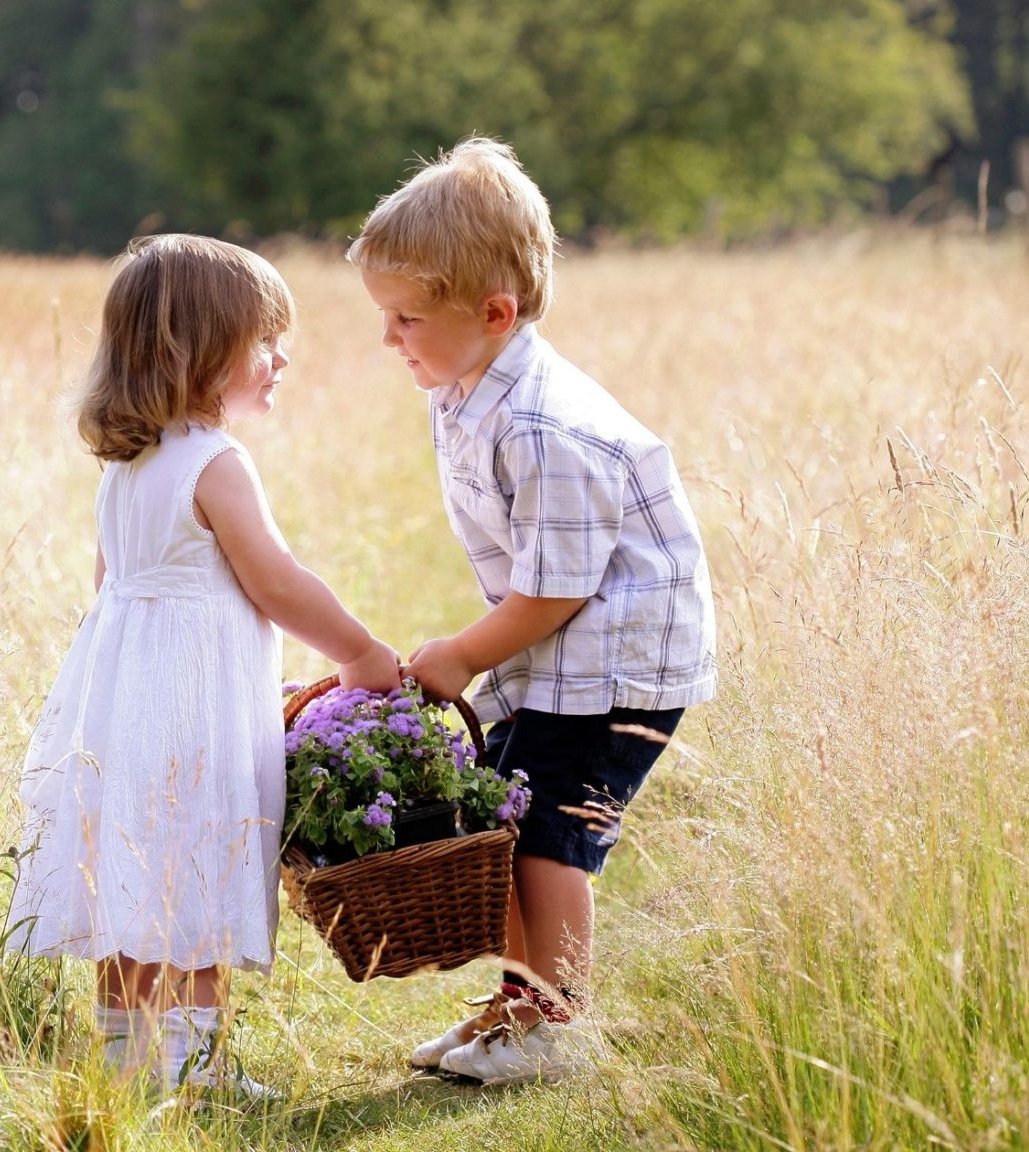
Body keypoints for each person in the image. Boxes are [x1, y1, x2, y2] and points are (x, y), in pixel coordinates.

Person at [350, 139, 716, 1086]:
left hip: (616, 662)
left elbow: (560, 586)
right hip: (557, 658)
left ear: (495, 312)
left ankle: (558, 1024)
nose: (389, 339)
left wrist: (464, 653)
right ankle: (518, 1005)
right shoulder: (464, 385)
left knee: (551, 836)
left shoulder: (543, 425)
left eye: (404, 318)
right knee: (504, 825)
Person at [5, 233, 404, 1097]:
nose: (281, 357)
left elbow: (111, 586)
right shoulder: (217, 464)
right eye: (264, 341)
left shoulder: (128, 468)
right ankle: (191, 1070)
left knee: (134, 871)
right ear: (200, 351)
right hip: (194, 710)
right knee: (200, 862)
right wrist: (362, 654)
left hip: (123, 706)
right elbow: (279, 585)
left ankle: (128, 1057)